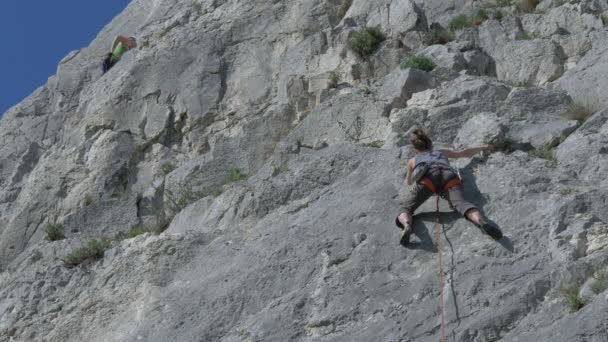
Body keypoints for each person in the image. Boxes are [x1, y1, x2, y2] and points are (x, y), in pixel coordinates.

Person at [396, 129, 503, 244]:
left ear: (415, 148)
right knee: (461, 204)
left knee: (406, 208)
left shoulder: (413, 160)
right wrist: (485, 146)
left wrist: (416, 177)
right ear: (430, 143)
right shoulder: (441, 152)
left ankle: (407, 225)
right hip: (448, 176)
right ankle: (480, 221)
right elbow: (465, 153)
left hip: (428, 179)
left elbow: (409, 182)